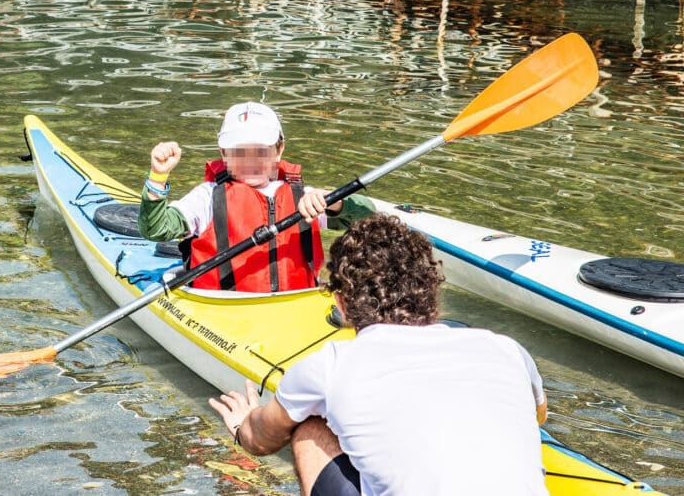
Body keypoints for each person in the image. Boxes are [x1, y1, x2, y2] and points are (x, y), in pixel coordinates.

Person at [208, 213, 550, 496]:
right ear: (432, 289)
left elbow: (261, 439)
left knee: (309, 424)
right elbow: (537, 417)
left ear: (342, 304)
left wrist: (242, 426)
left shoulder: (328, 367)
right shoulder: (507, 349)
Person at [138, 101, 373, 293]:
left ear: (279, 150)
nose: (249, 161)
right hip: (225, 309)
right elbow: (156, 230)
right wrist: (158, 176)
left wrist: (335, 204)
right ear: (223, 153)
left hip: (295, 305)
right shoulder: (206, 198)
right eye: (239, 152)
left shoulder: (304, 197)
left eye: (260, 151)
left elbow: (370, 220)